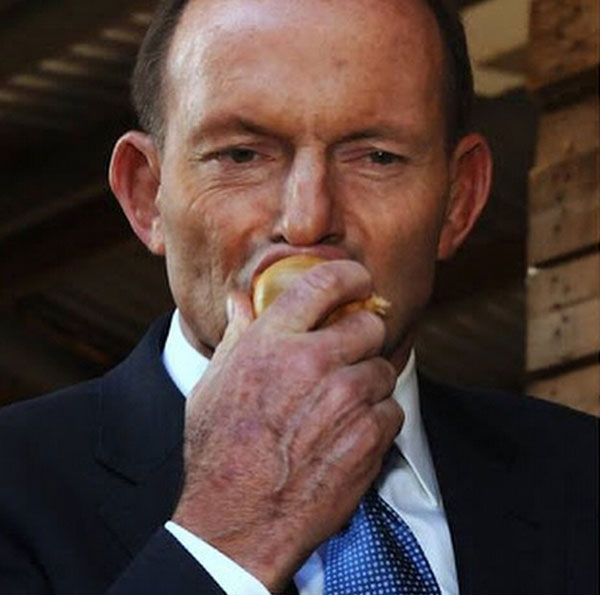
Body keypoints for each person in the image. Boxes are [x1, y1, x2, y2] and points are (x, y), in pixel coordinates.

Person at [0, 0, 597, 593]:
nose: (308, 221)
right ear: (146, 195)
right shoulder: (16, 485)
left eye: (377, 157)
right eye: (241, 155)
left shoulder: (581, 480)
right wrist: (229, 537)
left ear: (459, 200)